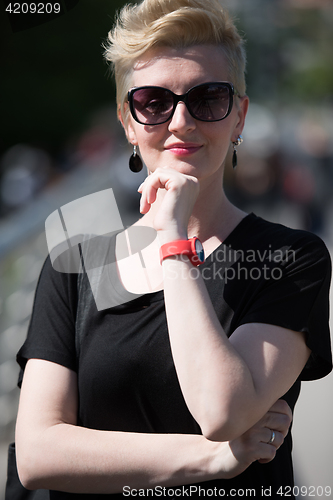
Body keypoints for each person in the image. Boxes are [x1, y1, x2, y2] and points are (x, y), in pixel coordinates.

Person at [15, 0, 332, 498]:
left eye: (208, 98)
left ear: (239, 116)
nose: (181, 121)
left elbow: (221, 410)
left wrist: (174, 240)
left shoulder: (289, 256)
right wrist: (210, 460)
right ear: (128, 121)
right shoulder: (74, 263)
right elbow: (36, 454)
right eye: (154, 101)